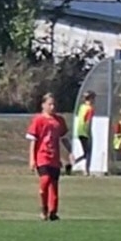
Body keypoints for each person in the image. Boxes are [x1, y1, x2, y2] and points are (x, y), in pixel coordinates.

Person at [27, 92, 73, 221]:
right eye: (49, 104)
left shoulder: (59, 121)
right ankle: (44, 208)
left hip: (54, 158)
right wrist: (32, 159)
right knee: (45, 181)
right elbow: (33, 140)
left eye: (54, 104)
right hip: (42, 156)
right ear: (43, 105)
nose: (52, 107)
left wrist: (70, 152)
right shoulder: (38, 120)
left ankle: (53, 212)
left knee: (54, 185)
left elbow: (64, 138)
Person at [74, 90, 95, 176]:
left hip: (79, 131)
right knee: (88, 153)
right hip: (86, 132)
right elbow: (88, 122)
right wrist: (89, 133)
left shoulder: (82, 107)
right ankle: (87, 170)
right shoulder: (90, 109)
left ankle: (75, 161)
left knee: (86, 153)